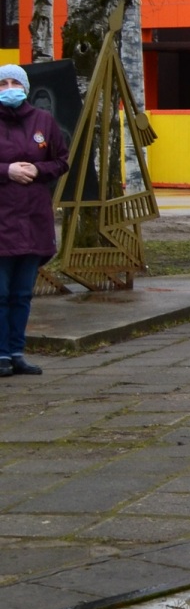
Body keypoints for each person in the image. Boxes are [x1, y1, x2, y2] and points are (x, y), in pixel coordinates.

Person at [0, 64, 68, 376]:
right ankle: (0, 354)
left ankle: (16, 351)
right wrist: (7, 170)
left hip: (33, 220)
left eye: (15, 82)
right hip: (2, 221)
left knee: (22, 293)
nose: (9, 87)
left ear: (25, 87)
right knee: (0, 293)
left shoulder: (43, 121)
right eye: (3, 83)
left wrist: (39, 170)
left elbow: (61, 160)